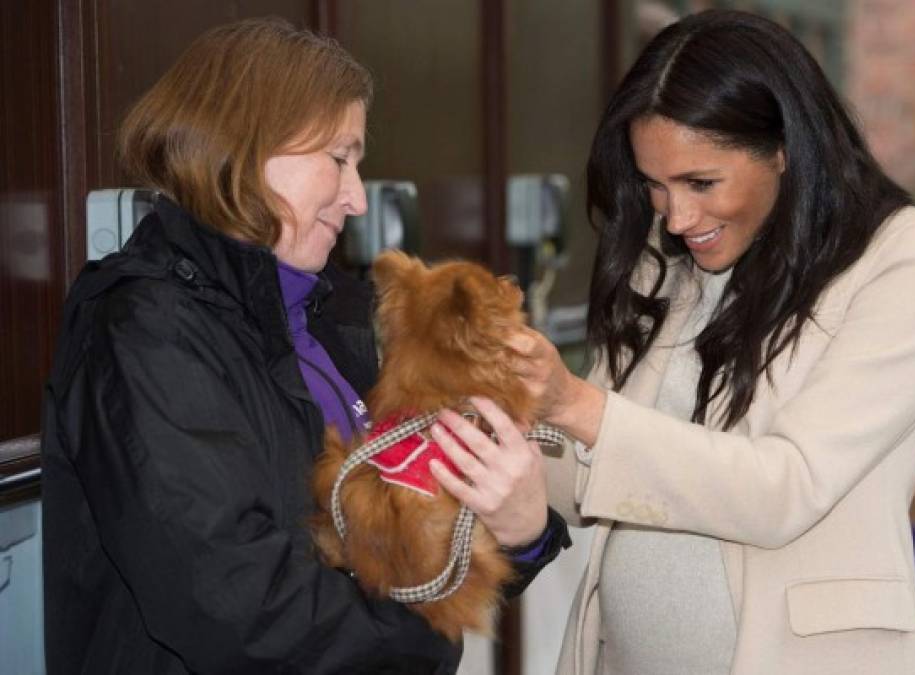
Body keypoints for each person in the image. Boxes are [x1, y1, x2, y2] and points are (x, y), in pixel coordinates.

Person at [41, 18, 566, 675]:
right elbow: (237, 605)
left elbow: (409, 545)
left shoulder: (328, 315)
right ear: (247, 143)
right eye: (339, 158)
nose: (354, 198)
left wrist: (521, 532)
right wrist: (432, 632)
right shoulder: (140, 329)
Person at [505, 9, 915, 675]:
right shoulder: (663, 260)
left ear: (784, 148)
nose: (677, 217)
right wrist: (505, 431)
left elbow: (785, 486)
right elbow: (587, 476)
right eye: (655, 185)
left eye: (702, 182)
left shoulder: (912, 260)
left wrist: (577, 406)